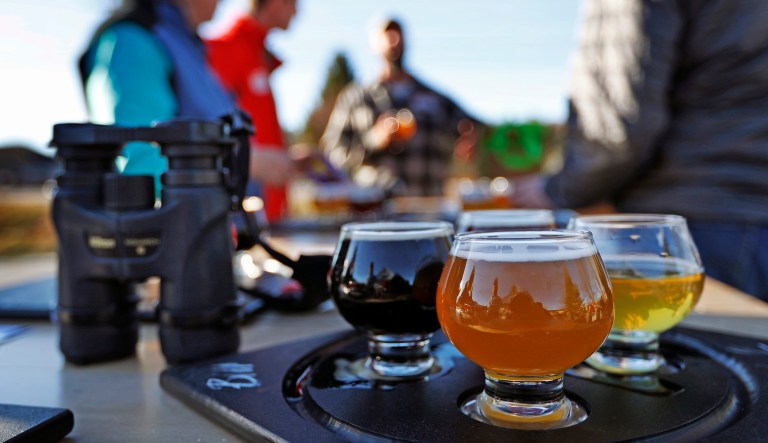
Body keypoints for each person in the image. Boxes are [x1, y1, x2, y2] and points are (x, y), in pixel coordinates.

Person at [511, 0, 768, 301]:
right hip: (739, 216)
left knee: (640, 342)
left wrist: (556, 189)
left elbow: (614, 123)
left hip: (683, 228)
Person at [79, 0, 292, 195]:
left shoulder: (187, 45)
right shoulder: (132, 41)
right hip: (176, 233)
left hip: (212, 230)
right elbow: (141, 167)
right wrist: (248, 163)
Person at [320, 17, 478, 197]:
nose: (394, 40)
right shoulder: (356, 98)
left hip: (428, 211)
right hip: (374, 214)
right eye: (387, 34)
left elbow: (472, 128)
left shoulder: (434, 97)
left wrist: (469, 139)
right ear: (373, 45)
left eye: (398, 33)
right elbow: (332, 155)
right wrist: (374, 140)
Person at [206, 0, 297, 222]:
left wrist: (289, 160)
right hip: (243, 220)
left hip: (268, 214)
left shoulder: (256, 52)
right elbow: (211, 132)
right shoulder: (228, 48)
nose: (296, 11)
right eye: (293, 3)